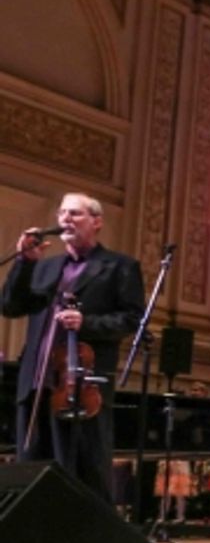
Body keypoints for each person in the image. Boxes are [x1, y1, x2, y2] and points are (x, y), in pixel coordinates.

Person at [1, 193, 144, 504]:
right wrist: (24, 263)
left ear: (96, 222)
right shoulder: (44, 267)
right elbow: (11, 306)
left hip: (82, 385)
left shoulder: (120, 266)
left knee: (83, 471)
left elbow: (132, 319)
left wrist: (87, 322)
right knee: (32, 470)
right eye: (63, 212)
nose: (65, 219)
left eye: (75, 214)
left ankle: (88, 542)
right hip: (37, 383)